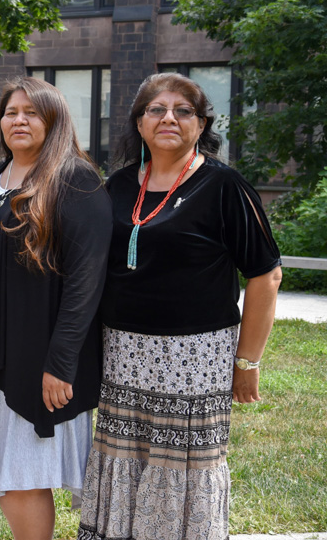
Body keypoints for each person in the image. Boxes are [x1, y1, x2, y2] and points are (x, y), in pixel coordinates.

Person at [77, 73, 283, 540]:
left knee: (183, 469)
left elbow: (266, 274)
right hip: (123, 354)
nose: (168, 117)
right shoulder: (119, 184)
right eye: (156, 109)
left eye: (183, 110)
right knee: (123, 461)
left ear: (201, 122)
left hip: (193, 358)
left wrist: (247, 362)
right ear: (139, 122)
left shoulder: (223, 185)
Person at [0, 76, 111, 540]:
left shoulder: (74, 178)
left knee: (22, 473)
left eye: (31, 112)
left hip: (35, 352)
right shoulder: (0, 174)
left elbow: (86, 280)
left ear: (53, 121)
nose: (18, 120)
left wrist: (61, 362)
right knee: (8, 466)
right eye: (11, 112)